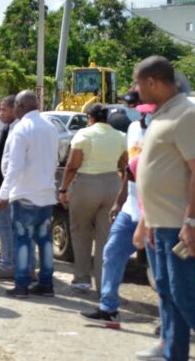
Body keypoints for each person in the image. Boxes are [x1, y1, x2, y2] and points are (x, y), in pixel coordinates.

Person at [133, 56, 195, 361]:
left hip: (179, 226)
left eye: (138, 82)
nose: (135, 89)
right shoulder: (163, 115)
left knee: (185, 295)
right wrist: (146, 221)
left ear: (152, 83)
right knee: (169, 295)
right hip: (162, 224)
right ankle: (174, 354)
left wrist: (191, 222)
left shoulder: (185, 114)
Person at [81, 100, 153, 323]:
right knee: (111, 253)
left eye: (145, 113)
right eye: (136, 110)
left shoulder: (165, 131)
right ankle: (108, 308)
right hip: (131, 208)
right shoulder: (132, 130)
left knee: (160, 270)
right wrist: (119, 202)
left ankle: (172, 321)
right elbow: (129, 170)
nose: (141, 117)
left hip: (154, 211)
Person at [59, 103, 127, 291]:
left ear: (90, 117)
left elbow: (72, 165)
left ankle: (82, 279)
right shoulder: (121, 136)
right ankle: (102, 284)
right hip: (112, 184)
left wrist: (63, 189)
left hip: (86, 184)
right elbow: (124, 164)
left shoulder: (84, 134)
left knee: (80, 231)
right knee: (104, 236)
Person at [0, 91, 60, 298]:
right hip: (46, 193)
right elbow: (55, 160)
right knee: (44, 240)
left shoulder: (21, 129)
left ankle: (22, 285)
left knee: (23, 239)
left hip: (25, 193)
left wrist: (4, 193)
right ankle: (46, 283)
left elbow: (15, 166)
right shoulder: (51, 127)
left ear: (20, 106)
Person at [0, 95, 18, 280]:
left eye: (4, 109)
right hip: (6, 184)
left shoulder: (18, 130)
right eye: (0, 109)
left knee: (5, 223)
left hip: (13, 187)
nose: (1, 113)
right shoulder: (8, 127)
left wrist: (4, 190)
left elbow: (12, 163)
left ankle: (8, 263)